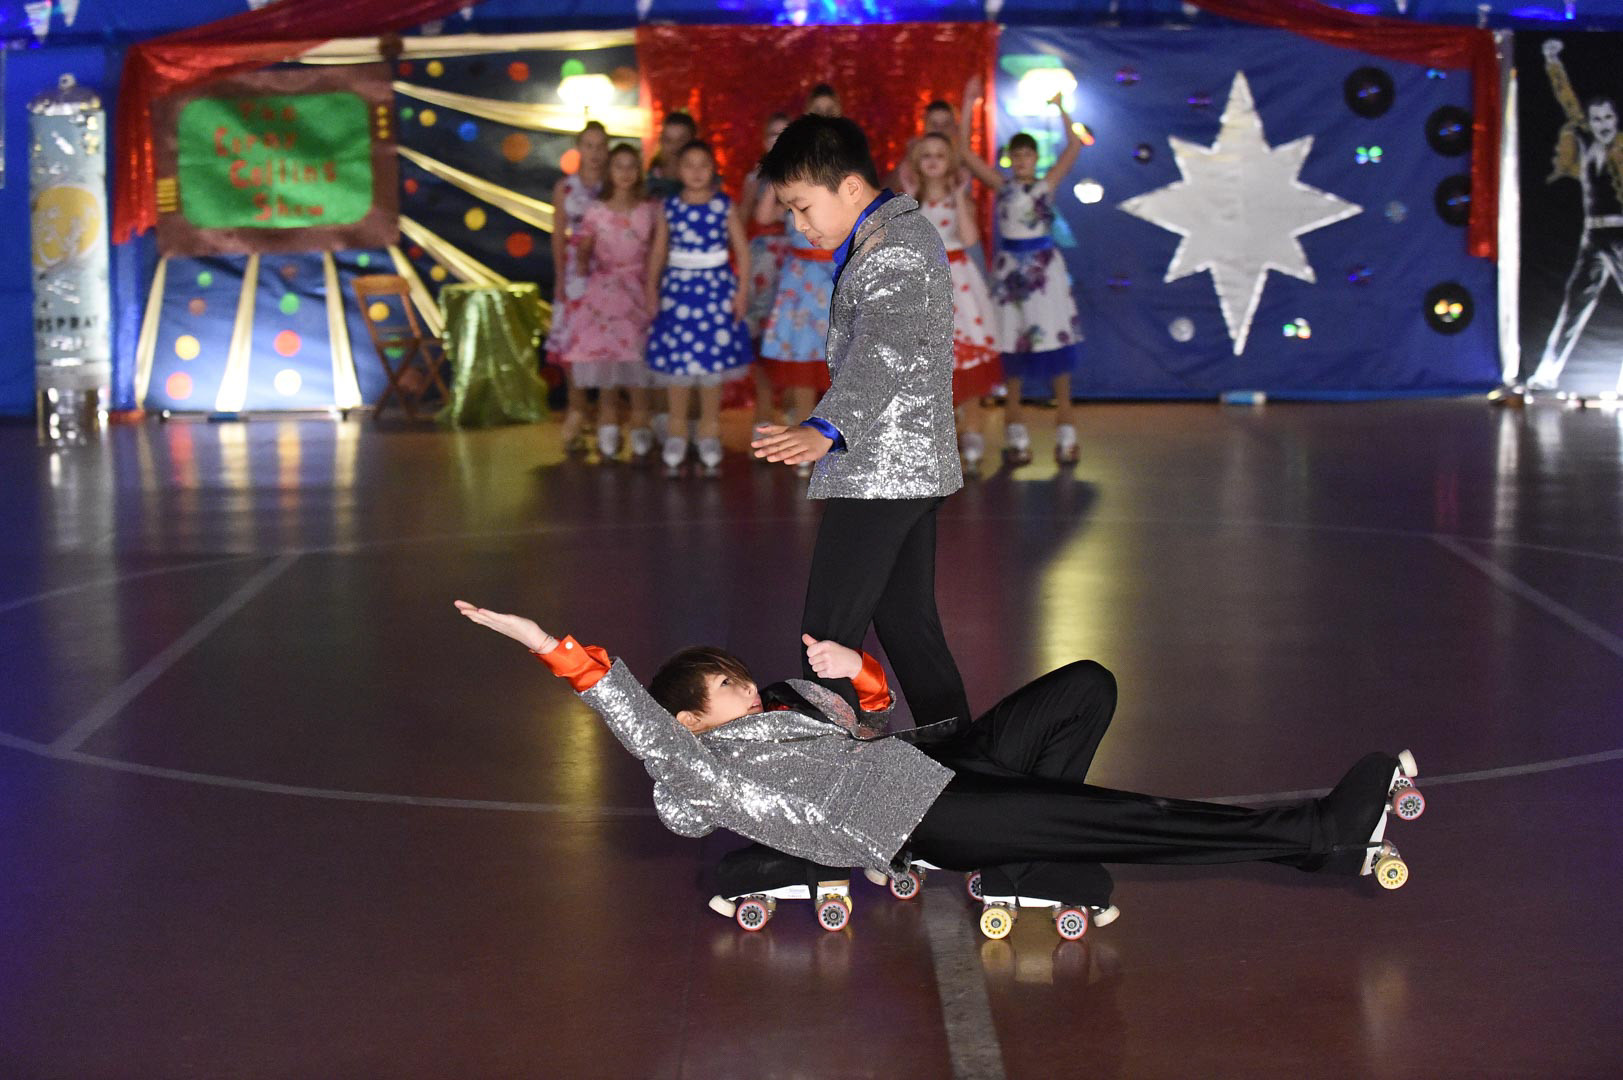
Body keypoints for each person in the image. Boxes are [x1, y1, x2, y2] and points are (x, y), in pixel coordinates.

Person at [453, 601, 1426, 929]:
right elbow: (642, 729)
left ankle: (1031, 850)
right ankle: (1321, 834)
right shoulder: (699, 769)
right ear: (689, 721)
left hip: (937, 768)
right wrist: (555, 650)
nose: (748, 688)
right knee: (1128, 818)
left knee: (1083, 686)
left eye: (741, 678)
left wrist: (861, 677)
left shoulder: (790, 705)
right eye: (728, 688)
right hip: (921, 820)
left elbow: (877, 725)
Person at [749, 114, 969, 732]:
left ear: (849, 187)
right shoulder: (890, 236)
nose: (799, 224)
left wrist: (826, 427)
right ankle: (967, 763)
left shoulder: (895, 247)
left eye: (803, 207)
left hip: (882, 471)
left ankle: (829, 782)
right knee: (907, 625)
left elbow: (885, 346)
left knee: (825, 639)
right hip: (901, 470)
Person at [961, 81, 1086, 466]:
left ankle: (1066, 431)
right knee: (1010, 345)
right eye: (1015, 156)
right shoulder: (1002, 187)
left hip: (1044, 273)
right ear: (1009, 160)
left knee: (1055, 344)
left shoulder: (1047, 185)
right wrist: (968, 105)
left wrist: (1061, 107)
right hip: (1009, 275)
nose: (1021, 161)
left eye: (1028, 155)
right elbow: (964, 153)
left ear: (1036, 158)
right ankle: (1015, 431)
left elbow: (1075, 145)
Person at [644, 140, 753, 476]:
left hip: (715, 292)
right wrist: (651, 288)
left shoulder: (724, 205)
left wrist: (741, 293)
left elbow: (742, 251)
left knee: (710, 367)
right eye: (688, 165)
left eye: (703, 165)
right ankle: (677, 432)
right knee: (678, 366)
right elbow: (659, 251)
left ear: (713, 170)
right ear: (678, 170)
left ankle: (708, 432)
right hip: (678, 292)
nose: (695, 172)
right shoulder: (670, 207)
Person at [1526, 38, 1623, 394]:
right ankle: (1547, 373)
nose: (1603, 124)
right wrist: (1553, 62)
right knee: (1574, 304)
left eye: (1608, 117)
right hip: (1593, 237)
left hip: (1621, 234)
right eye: (1597, 119)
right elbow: (1568, 101)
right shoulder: (1586, 140)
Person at [906, 132, 1003, 472]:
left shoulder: (958, 198)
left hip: (957, 281)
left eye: (940, 155)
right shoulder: (910, 200)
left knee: (965, 362)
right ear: (917, 162)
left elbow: (970, 237)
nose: (933, 161)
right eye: (926, 155)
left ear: (950, 163)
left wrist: (960, 195)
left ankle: (972, 430)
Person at [565, 143, 657, 462]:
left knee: (637, 360)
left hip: (638, 291)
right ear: (609, 172)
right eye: (619, 166)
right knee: (608, 363)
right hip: (604, 293)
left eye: (632, 166)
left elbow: (657, 250)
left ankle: (641, 426)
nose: (626, 173)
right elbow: (583, 249)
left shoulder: (649, 210)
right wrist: (579, 279)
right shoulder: (596, 211)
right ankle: (608, 427)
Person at [546, 120, 609, 453]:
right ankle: (577, 408)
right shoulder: (566, 187)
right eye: (589, 145)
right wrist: (560, 277)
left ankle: (606, 415)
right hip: (575, 273)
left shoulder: (614, 184)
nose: (595, 152)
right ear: (579, 148)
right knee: (573, 342)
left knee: (607, 341)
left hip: (609, 270)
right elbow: (559, 234)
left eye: (601, 146)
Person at [740, 114, 796, 433]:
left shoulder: (807, 175)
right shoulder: (757, 177)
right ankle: (763, 411)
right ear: (764, 141)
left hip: (797, 261)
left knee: (793, 334)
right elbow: (752, 216)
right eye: (773, 135)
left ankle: (791, 405)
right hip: (763, 259)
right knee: (762, 336)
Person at [646, 110, 699, 200]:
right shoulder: (650, 180)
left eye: (681, 140)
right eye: (668, 140)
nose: (675, 146)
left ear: (693, 141)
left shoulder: (704, 179)